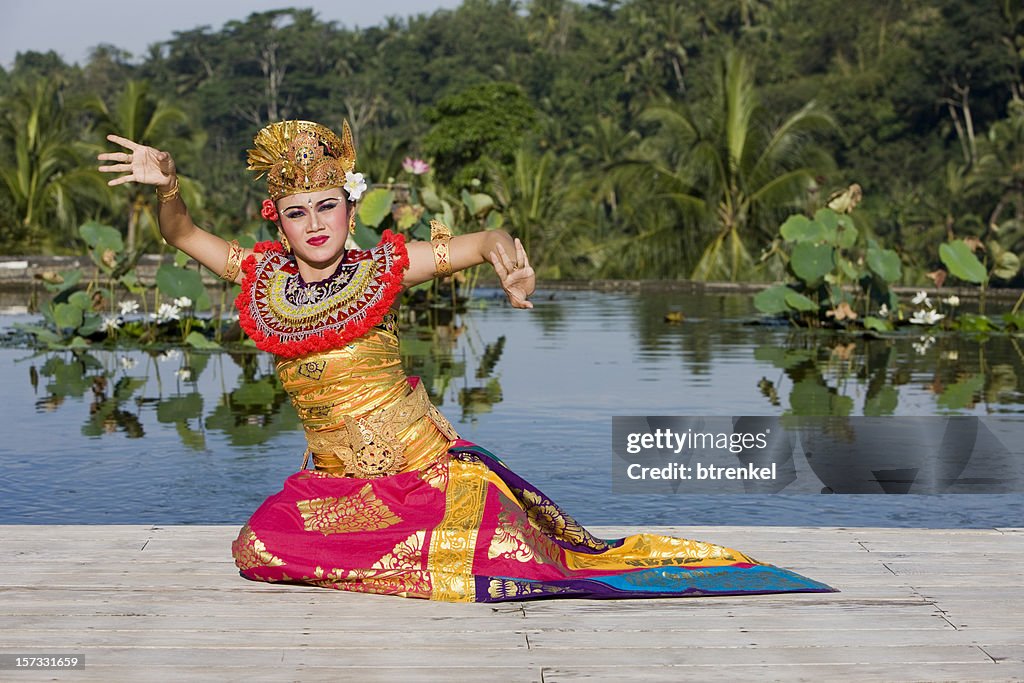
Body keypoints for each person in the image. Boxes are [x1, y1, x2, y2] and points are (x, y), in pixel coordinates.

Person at [98, 120, 833, 601]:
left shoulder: (382, 267)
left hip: (423, 473)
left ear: (350, 211)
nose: (315, 223)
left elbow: (480, 240)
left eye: (327, 206)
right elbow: (182, 232)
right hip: (335, 485)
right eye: (298, 211)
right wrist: (168, 187)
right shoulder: (259, 277)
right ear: (279, 223)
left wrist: (508, 260)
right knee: (256, 546)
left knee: (506, 554)